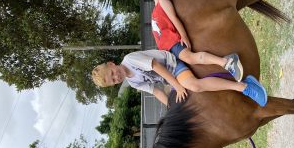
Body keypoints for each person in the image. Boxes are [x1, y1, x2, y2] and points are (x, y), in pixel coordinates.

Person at [91, 50, 268, 107]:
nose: (116, 77)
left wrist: (177, 85)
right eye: (113, 80)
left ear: (112, 64)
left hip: (171, 65)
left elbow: (158, 67)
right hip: (170, 79)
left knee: (194, 86)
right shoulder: (132, 82)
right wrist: (171, 107)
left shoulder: (130, 60)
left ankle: (244, 87)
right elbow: (156, 91)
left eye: (112, 73)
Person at [150, 0, 243, 82]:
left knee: (190, 58)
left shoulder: (163, 2)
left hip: (172, 43)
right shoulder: (154, 11)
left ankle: (226, 61)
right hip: (167, 50)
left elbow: (174, 18)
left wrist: (183, 36)